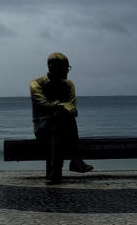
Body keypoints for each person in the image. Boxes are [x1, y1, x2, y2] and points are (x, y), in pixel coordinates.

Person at [30, 53, 93, 183]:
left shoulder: (69, 84)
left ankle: (55, 173)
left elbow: (73, 108)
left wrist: (64, 108)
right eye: (64, 68)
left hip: (61, 127)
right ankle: (76, 160)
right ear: (51, 67)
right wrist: (61, 105)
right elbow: (42, 103)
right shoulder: (36, 84)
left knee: (59, 126)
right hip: (42, 126)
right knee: (60, 124)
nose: (66, 71)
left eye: (67, 68)